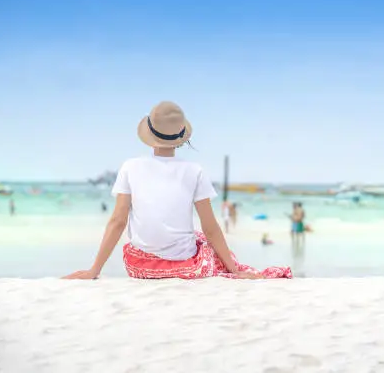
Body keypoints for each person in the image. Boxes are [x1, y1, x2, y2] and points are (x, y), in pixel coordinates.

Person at [63, 101, 292, 280]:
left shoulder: (130, 167)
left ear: (149, 135)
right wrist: (233, 270)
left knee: (198, 239)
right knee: (205, 241)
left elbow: (118, 221)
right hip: (187, 266)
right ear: (180, 138)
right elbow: (210, 228)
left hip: (140, 266)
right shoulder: (194, 171)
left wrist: (94, 269)